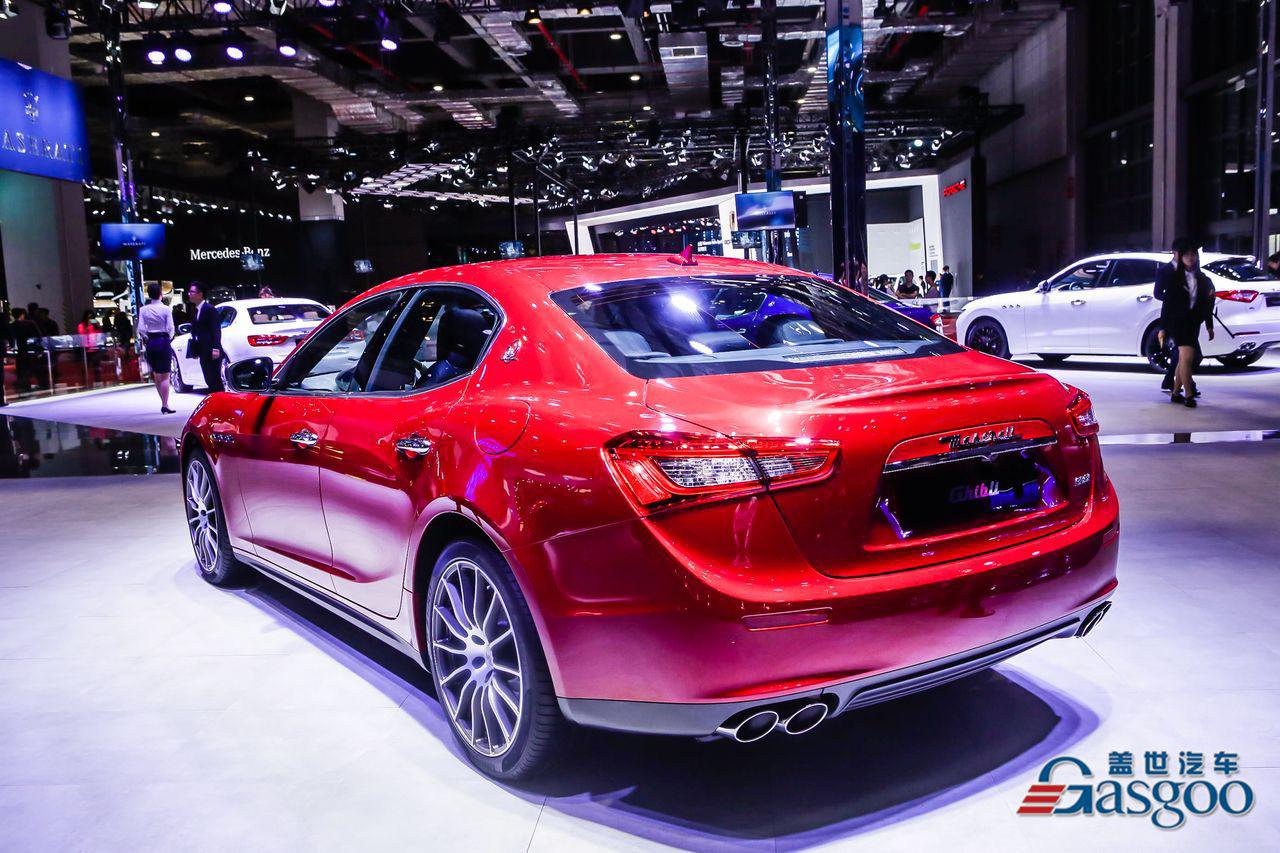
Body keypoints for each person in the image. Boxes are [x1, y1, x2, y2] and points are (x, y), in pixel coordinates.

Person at [1154, 238, 1215, 407]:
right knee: (1187, 357)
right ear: (1180, 257)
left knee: (1183, 359)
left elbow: (1207, 303)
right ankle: (1188, 395)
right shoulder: (1174, 278)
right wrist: (1163, 328)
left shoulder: (1203, 279)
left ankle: (1175, 393)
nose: (1190, 257)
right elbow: (1167, 303)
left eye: (1193, 254)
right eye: (1186, 255)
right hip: (1178, 323)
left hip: (1193, 323)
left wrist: (1209, 325)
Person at [139, 282, 177, 413]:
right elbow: (171, 328)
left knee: (156, 374)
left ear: (149, 295)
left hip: (151, 342)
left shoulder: (143, 310)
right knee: (165, 375)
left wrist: (147, 338)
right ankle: (165, 404)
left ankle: (163, 403)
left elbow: (141, 329)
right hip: (163, 341)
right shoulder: (166, 309)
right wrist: (168, 338)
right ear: (161, 294)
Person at [186, 281, 225, 393]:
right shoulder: (197, 310)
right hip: (203, 351)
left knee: (214, 379)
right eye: (189, 292)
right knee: (209, 378)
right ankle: (215, 399)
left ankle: (220, 400)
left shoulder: (209, 309)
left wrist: (216, 348)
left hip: (211, 350)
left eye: (192, 292)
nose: (189, 294)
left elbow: (216, 329)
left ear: (200, 294)